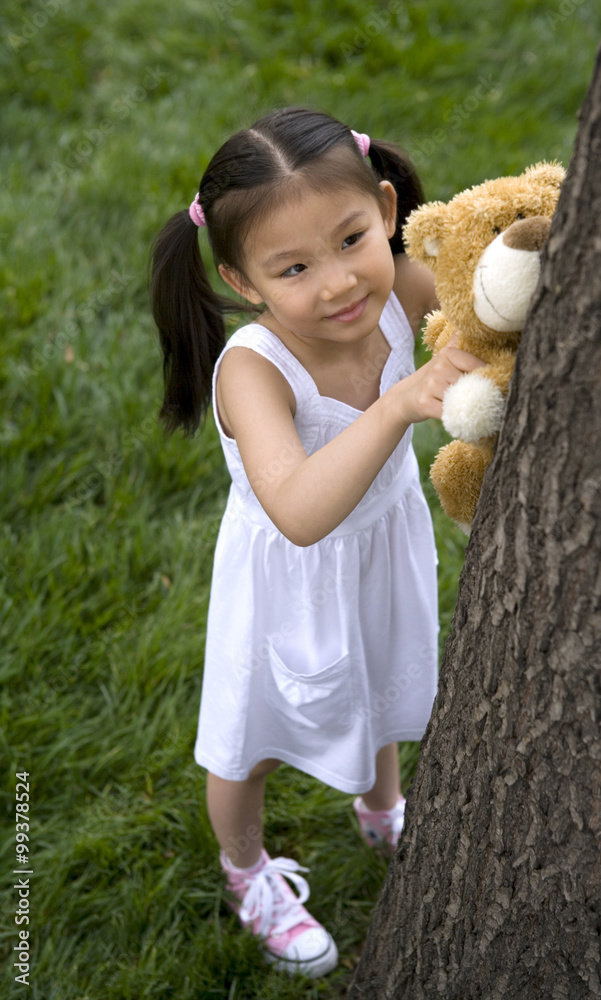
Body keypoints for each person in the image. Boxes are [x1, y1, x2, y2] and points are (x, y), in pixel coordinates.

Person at [149, 107, 484, 978]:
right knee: (248, 735)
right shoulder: (254, 369)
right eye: (293, 267)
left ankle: (382, 806)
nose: (336, 284)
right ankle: (246, 868)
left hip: (383, 548)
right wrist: (401, 404)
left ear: (383, 207)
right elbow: (297, 509)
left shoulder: (402, 285)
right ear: (243, 281)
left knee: (376, 677)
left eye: (349, 240)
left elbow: (484, 319)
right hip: (287, 584)